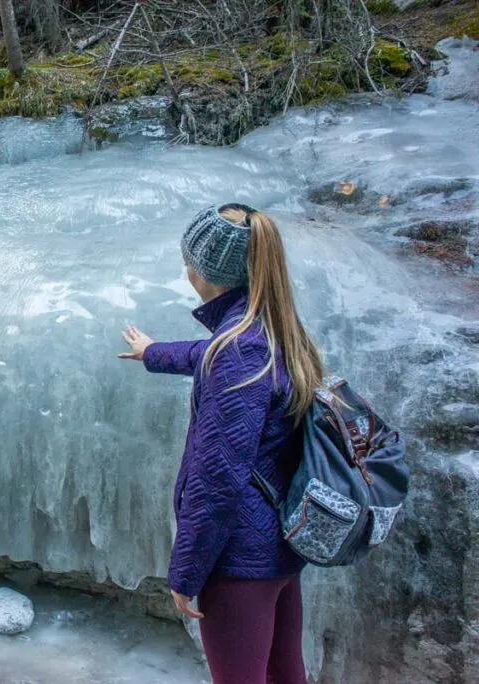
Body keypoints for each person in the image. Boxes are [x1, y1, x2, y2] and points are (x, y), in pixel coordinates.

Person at [118, 203, 322, 684]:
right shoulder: (270, 328)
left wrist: (185, 574)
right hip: (276, 542)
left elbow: (217, 481)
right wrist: (154, 354)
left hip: (239, 559)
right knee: (283, 671)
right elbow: (211, 355)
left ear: (202, 272)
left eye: (189, 259)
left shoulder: (238, 353)